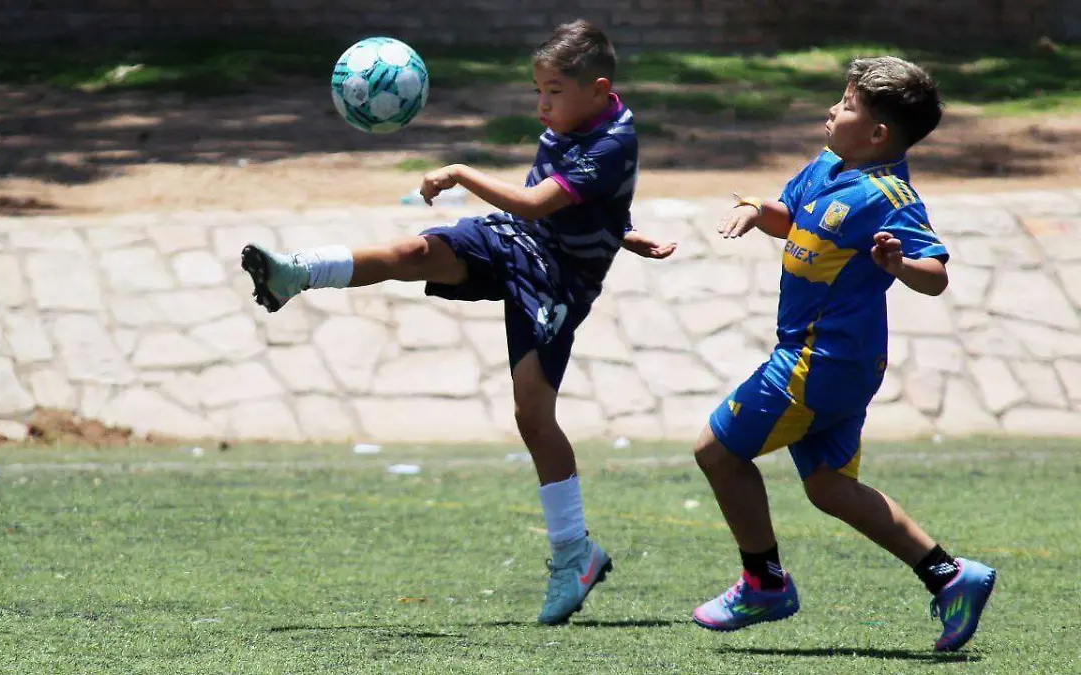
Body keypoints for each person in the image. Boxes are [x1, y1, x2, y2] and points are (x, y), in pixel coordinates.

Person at [239, 19, 676, 625]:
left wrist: (460, 173)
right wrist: (618, 232)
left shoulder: (610, 141)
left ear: (599, 91)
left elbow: (537, 200)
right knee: (414, 254)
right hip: (514, 240)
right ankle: (295, 272)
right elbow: (558, 206)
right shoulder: (579, 120)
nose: (543, 104)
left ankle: (575, 552)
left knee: (532, 415)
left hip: (556, 282)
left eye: (553, 92)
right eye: (537, 92)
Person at [689, 56, 996, 652]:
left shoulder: (890, 196)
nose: (832, 109)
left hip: (817, 362)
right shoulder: (827, 167)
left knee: (716, 452)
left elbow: (934, 274)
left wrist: (899, 264)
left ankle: (764, 582)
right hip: (839, 364)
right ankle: (950, 576)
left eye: (847, 104)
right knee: (828, 486)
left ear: (878, 133)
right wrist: (758, 211)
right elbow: (793, 219)